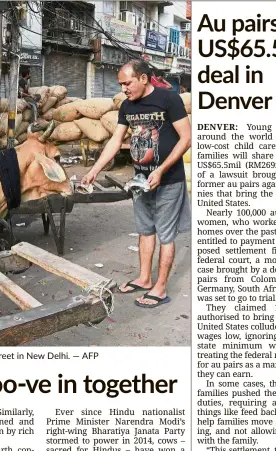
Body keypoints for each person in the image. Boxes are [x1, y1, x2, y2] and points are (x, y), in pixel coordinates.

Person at [82, 59, 191, 309]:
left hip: (167, 180)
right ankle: (144, 278)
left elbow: (186, 138)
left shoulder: (169, 99)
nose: (124, 89)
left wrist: (162, 170)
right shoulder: (127, 107)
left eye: (127, 83)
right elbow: (115, 140)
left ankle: (160, 288)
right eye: (121, 84)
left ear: (143, 78)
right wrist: (94, 169)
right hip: (140, 180)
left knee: (165, 235)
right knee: (145, 230)